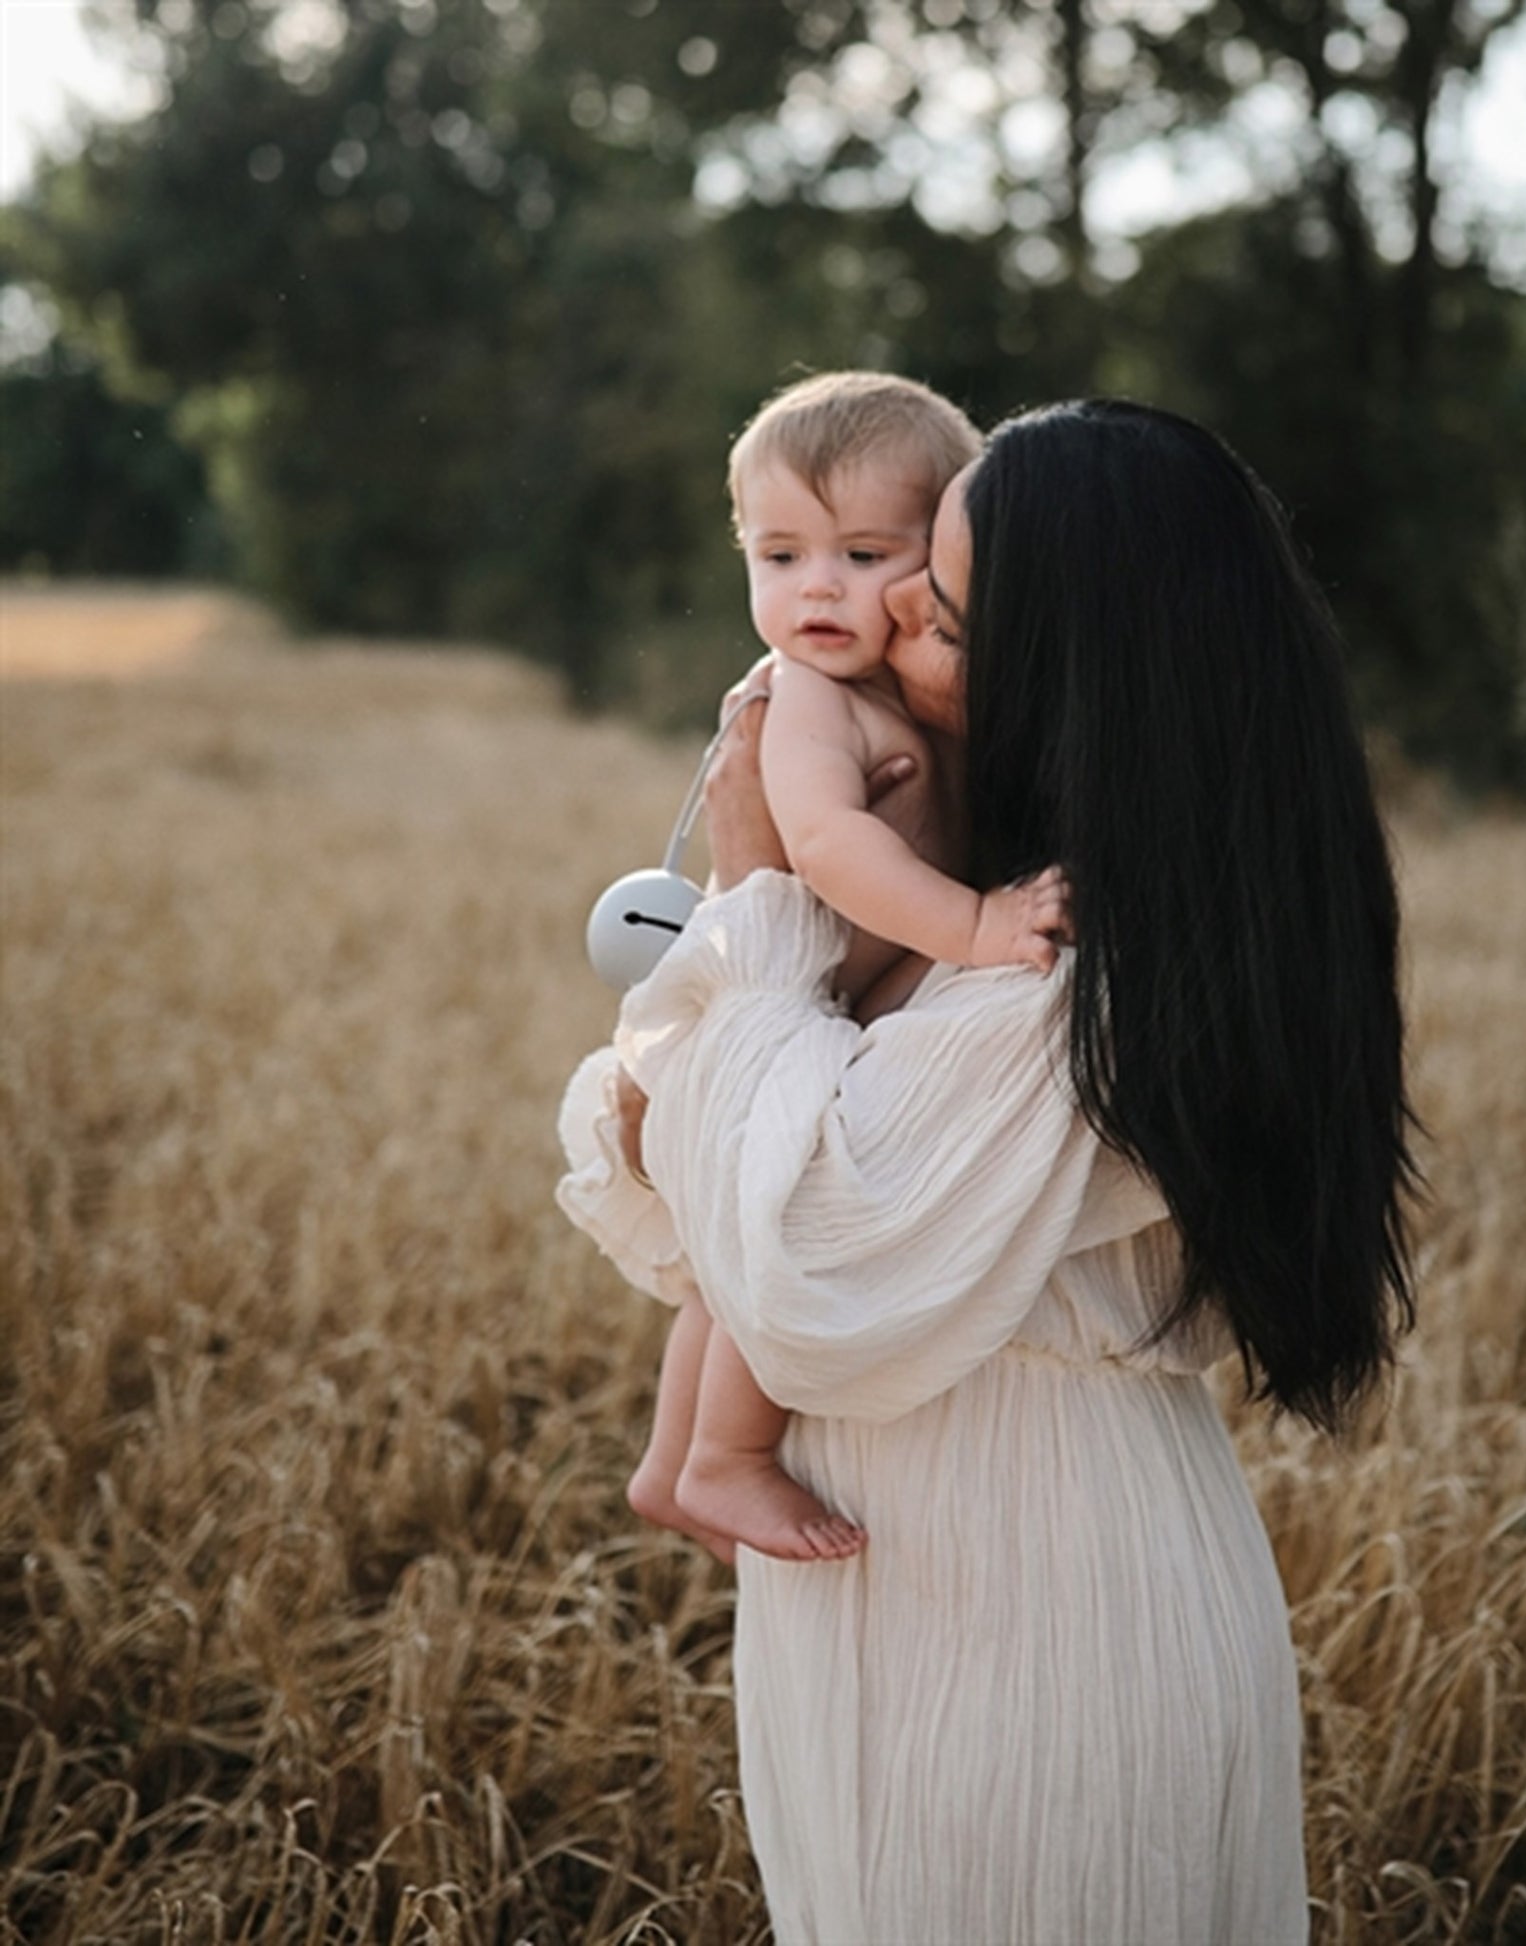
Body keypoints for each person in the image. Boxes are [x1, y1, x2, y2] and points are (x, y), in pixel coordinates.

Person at [557, 399, 1417, 1943]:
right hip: (912, 1562)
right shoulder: (1068, 896)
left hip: (1026, 1604)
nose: (879, 624)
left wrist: (758, 883)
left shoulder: (1074, 963)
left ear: (1075, 676)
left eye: (936, 608)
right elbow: (661, 1136)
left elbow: (793, 1237)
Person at [624, 372, 1069, 1565]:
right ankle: (722, 1456)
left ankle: (673, 1465)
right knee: (758, 1222)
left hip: (837, 1004)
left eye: (864, 552)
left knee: (731, 1249)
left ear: (942, 560)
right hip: (782, 991)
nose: (814, 586)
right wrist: (974, 928)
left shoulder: (916, 695)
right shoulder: (809, 696)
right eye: (778, 556)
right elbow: (825, 842)